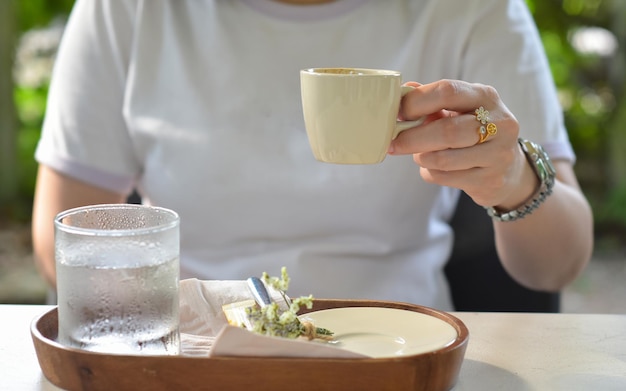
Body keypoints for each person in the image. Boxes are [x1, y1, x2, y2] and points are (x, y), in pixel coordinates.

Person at [32, 0, 593, 310]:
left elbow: (559, 264)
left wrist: (513, 178)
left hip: (400, 349)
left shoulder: (474, 10)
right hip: (195, 347)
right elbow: (64, 244)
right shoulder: (125, 10)